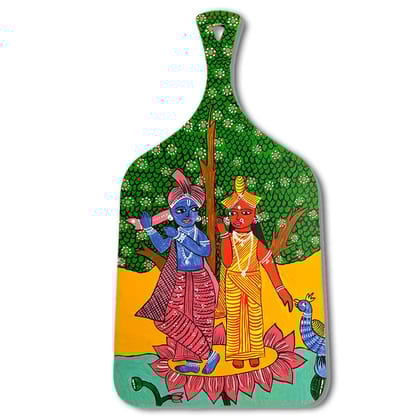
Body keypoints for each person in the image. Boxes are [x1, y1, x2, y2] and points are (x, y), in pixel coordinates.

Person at [132, 169, 220, 374]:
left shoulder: (197, 234)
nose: (188, 215)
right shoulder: (175, 233)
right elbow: (162, 246)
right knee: (169, 318)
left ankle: (195, 361)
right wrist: (150, 229)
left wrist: (180, 237)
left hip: (200, 280)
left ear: (197, 213)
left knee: (200, 320)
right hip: (178, 279)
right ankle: (207, 355)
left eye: (192, 210)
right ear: (172, 214)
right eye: (180, 211)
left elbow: (204, 251)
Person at [216, 176, 293, 369]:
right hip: (233, 282)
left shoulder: (256, 242)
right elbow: (227, 261)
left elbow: (269, 264)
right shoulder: (229, 238)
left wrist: (281, 289)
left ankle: (254, 353)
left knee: (254, 317)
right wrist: (223, 234)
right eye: (234, 213)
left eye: (245, 212)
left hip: (252, 282)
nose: (239, 218)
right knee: (234, 319)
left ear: (254, 215)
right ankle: (236, 354)